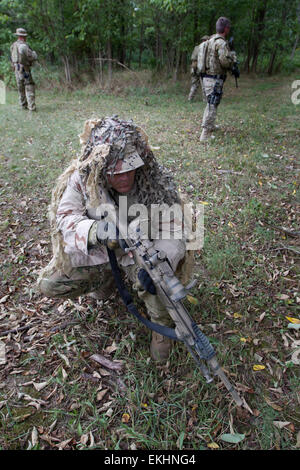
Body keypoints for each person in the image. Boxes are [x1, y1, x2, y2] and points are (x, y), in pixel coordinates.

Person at [37, 116, 194, 362]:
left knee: (159, 276)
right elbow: (65, 218)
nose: (125, 178)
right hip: (104, 253)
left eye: (130, 169)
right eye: (116, 172)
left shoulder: (155, 180)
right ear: (100, 168)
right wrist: (95, 231)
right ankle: (106, 280)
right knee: (52, 283)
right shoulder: (83, 178)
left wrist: (163, 257)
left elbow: (175, 230)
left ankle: (161, 326)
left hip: (143, 254)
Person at [199, 17, 238, 142]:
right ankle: (205, 134)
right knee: (212, 104)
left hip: (207, 77)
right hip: (214, 78)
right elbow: (224, 61)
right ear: (226, 29)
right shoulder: (220, 42)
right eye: (229, 28)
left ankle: (209, 126)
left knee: (211, 103)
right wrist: (233, 62)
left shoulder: (210, 40)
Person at [10, 28, 38, 111]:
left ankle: (23, 105)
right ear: (23, 36)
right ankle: (31, 107)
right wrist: (34, 54)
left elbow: (11, 58)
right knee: (29, 86)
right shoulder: (24, 46)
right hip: (25, 70)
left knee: (20, 88)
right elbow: (32, 57)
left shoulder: (13, 45)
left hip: (16, 69)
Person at [188, 35, 210, 102]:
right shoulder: (208, 49)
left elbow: (193, 59)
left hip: (194, 68)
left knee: (194, 84)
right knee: (204, 85)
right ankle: (205, 99)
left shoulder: (196, 48)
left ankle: (190, 98)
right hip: (201, 69)